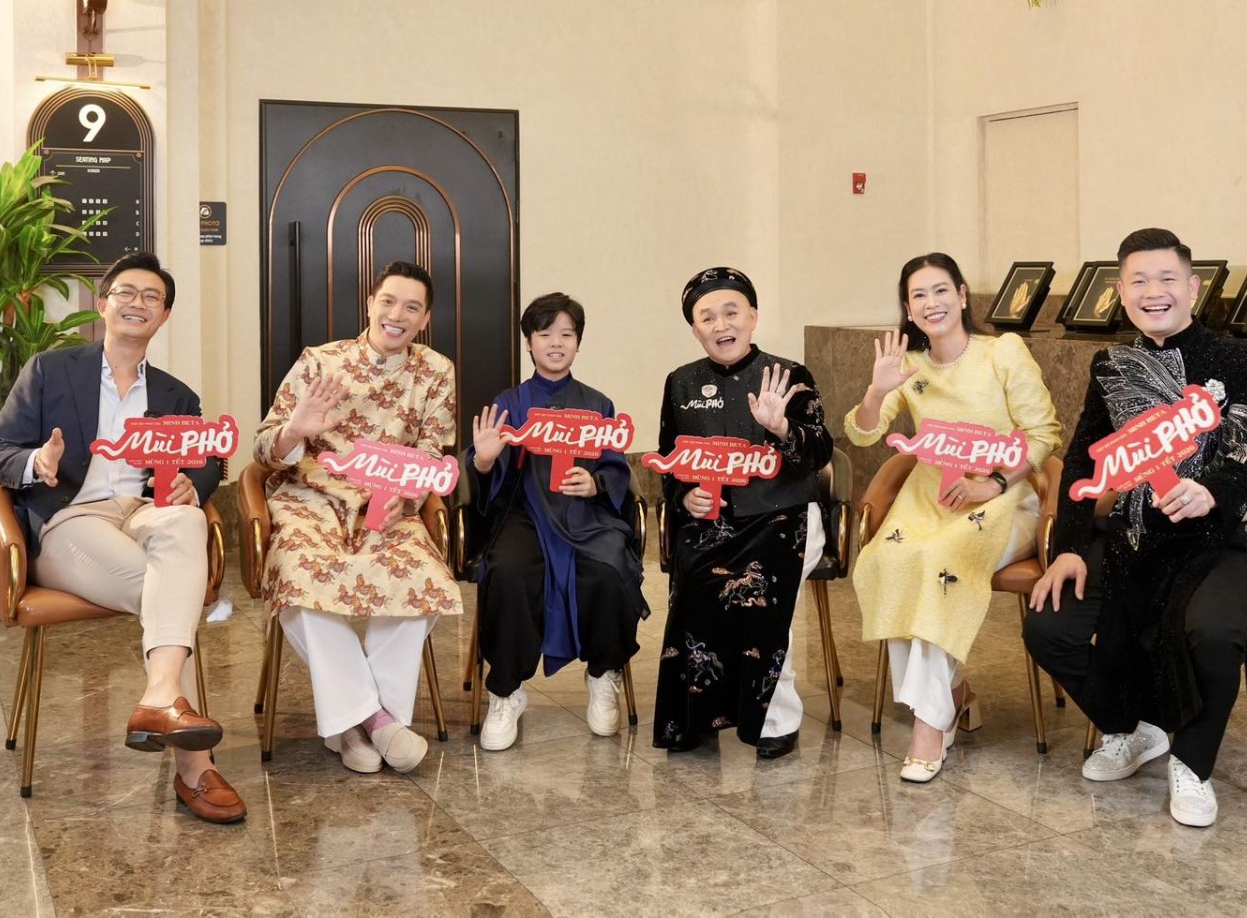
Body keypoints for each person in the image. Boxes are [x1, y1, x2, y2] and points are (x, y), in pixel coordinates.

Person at [1024, 228, 1247, 828]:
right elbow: (1083, 459)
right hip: (1133, 536)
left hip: (1216, 539)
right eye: (1138, 280)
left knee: (1211, 635)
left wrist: (1212, 490)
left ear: (1193, 286)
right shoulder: (1111, 366)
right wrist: (1070, 548)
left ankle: (1192, 762)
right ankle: (1133, 728)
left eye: (1167, 278)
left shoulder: (1239, 359)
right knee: (1049, 627)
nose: (1153, 291)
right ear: (1121, 292)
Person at [0, 252, 243, 824]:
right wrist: (37, 463)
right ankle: (195, 767)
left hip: (144, 512)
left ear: (164, 315)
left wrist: (194, 486)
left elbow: (205, 460)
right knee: (173, 592)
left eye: (152, 297)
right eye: (126, 292)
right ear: (103, 304)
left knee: (186, 523)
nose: (137, 303)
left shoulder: (176, 394)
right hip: (72, 517)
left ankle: (159, 699)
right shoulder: (51, 370)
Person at [846, 253, 1063, 782]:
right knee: (888, 560)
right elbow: (862, 433)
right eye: (918, 296)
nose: (932, 303)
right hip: (928, 499)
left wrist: (993, 483)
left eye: (941, 290)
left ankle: (930, 725)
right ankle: (953, 694)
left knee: (938, 561)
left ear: (962, 295)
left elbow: (1044, 434)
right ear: (908, 309)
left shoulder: (1002, 351)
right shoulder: (908, 366)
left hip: (1002, 496)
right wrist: (877, 390)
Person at [252, 260, 460, 776]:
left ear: (425, 318)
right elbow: (263, 448)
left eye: (412, 307)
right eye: (388, 301)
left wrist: (408, 495)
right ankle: (375, 720)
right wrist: (296, 429)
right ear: (370, 304)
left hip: (387, 506)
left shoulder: (436, 371)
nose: (397, 315)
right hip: (308, 499)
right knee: (299, 580)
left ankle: (352, 724)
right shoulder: (320, 361)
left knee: (422, 577)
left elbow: (433, 452)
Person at [653, 267, 834, 759]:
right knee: (694, 584)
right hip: (712, 518)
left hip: (783, 515)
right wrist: (684, 496)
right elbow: (669, 460)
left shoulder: (790, 375)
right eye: (706, 317)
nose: (721, 324)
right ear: (695, 329)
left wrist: (781, 429)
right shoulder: (681, 382)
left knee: (761, 597)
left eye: (731, 312)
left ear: (753, 316)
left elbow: (820, 452)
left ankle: (777, 719)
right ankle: (696, 715)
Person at [466, 292, 647, 750]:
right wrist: (484, 460)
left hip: (585, 517)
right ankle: (506, 691)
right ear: (529, 342)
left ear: (578, 343)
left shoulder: (598, 404)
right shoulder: (510, 401)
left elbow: (615, 467)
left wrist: (596, 482)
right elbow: (484, 470)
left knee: (609, 568)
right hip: (524, 514)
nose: (556, 343)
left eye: (566, 334)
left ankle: (603, 675)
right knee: (509, 570)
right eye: (545, 334)